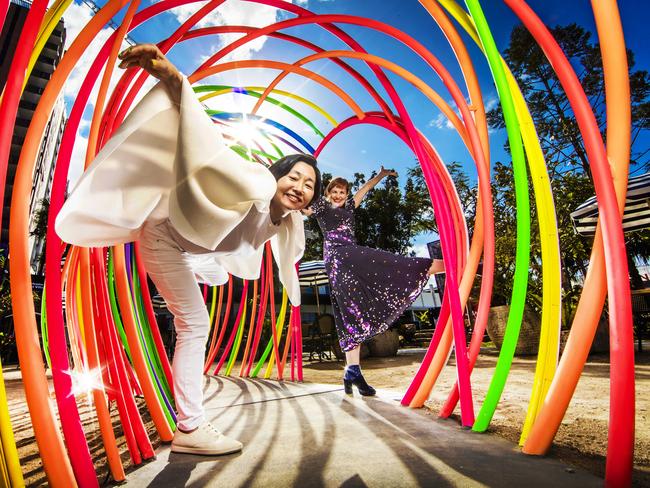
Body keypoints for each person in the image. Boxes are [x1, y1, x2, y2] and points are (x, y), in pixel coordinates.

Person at [55, 45, 322, 455]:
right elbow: (207, 148)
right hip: (164, 238)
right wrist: (174, 78)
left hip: (197, 251)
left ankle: (189, 414)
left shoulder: (288, 221)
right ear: (278, 174)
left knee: (207, 286)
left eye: (309, 186)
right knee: (195, 324)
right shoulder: (255, 181)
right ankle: (191, 427)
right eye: (296, 177)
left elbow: (276, 251)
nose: (300, 189)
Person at [304, 167, 443, 396]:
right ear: (328, 193)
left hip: (351, 256)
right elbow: (303, 207)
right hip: (338, 259)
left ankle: (352, 371)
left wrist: (381, 176)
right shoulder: (321, 207)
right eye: (335, 191)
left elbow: (365, 189)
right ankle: (430, 266)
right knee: (349, 307)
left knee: (352, 312)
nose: (339, 195)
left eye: (343, 192)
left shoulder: (349, 207)